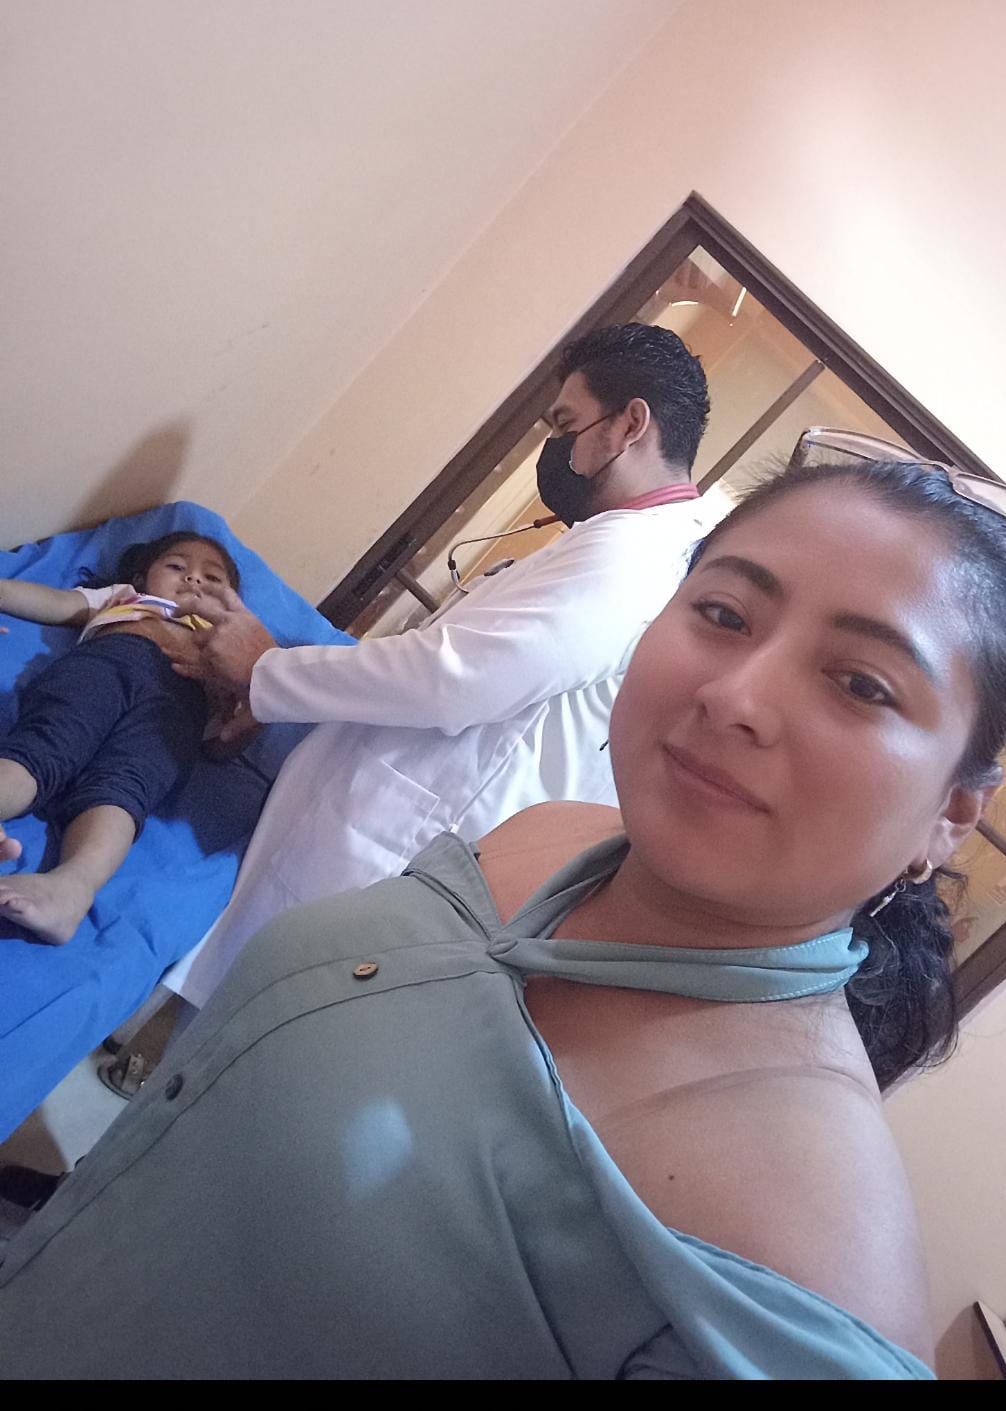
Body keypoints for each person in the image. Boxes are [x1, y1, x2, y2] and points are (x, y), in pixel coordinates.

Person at [0, 448, 1006, 1379]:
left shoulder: (798, 1279)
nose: (736, 695)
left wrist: (270, 671)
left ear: (951, 814)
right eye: (726, 614)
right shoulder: (544, 835)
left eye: (861, 683)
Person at [166, 323, 728, 1009]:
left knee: (259, 1025)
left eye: (566, 425)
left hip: (396, 847)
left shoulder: (629, 559)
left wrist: (267, 672)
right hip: (399, 842)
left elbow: (456, 677)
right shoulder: (632, 546)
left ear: (630, 425)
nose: (555, 448)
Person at [0, 533, 248, 944]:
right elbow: (55, 602)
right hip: (106, 668)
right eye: (177, 566)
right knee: (46, 745)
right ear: (141, 577)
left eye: (212, 578)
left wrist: (251, 715)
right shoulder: (126, 599)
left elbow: (222, 745)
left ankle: (71, 888)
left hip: (177, 711)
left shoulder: (227, 647)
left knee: (121, 791)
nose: (193, 580)